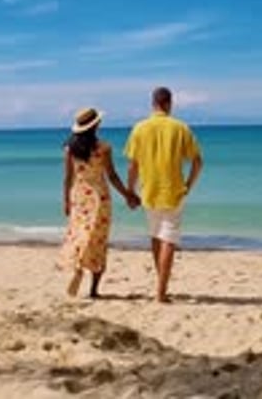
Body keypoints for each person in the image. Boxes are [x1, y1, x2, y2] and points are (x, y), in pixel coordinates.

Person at [125, 86, 203, 303]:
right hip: (174, 192)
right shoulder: (180, 128)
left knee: (156, 236)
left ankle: (161, 283)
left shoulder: (140, 128)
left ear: (153, 103)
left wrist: (130, 190)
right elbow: (197, 162)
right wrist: (189, 184)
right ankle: (161, 292)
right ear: (169, 103)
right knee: (168, 239)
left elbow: (133, 165)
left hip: (148, 191)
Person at [61, 107, 139, 298]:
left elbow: (68, 177)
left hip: (78, 197)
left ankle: (78, 267)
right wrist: (128, 194)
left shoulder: (70, 148)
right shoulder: (103, 148)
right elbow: (111, 176)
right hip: (99, 198)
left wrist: (65, 201)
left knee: (79, 235)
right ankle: (94, 290)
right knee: (98, 240)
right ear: (96, 124)